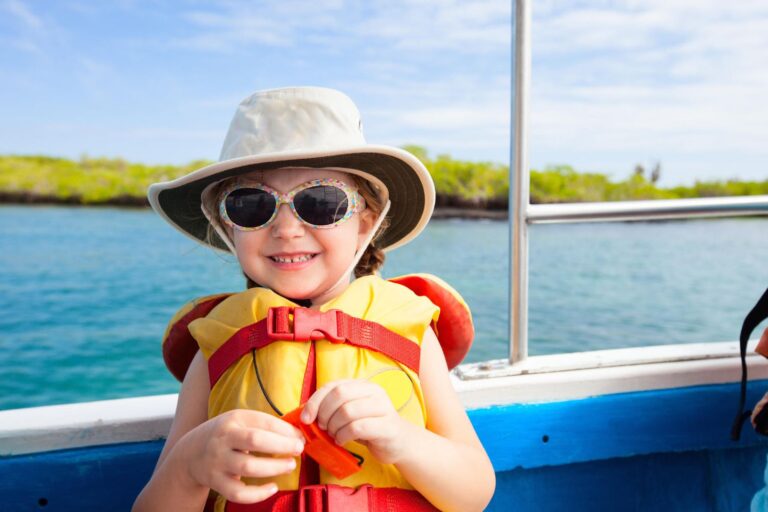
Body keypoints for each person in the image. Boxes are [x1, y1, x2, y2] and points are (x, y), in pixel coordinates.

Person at [132, 87, 495, 512]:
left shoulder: (410, 330)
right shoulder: (216, 342)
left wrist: (400, 438)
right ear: (228, 227)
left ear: (366, 223)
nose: (286, 229)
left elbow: (475, 492)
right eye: (251, 205)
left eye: (321, 202)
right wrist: (189, 466)